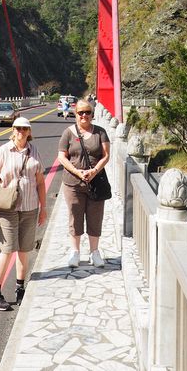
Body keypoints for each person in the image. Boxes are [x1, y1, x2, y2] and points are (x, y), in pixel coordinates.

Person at [0, 116, 47, 311]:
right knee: (7, 250)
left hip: (29, 207)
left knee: (24, 250)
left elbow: (41, 182)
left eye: (24, 129)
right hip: (7, 208)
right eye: (18, 128)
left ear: (29, 132)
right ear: (13, 130)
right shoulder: (3, 150)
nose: (21, 132)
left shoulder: (34, 151)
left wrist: (44, 208)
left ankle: (20, 288)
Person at [58, 98, 110, 268]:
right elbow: (62, 157)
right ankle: (75, 252)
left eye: (87, 112)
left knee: (95, 217)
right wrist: (77, 172)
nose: (84, 115)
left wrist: (94, 171)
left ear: (92, 114)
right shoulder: (68, 133)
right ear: (76, 114)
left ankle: (94, 252)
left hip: (95, 183)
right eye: (81, 113)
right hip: (73, 183)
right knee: (75, 216)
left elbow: (106, 155)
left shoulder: (100, 132)